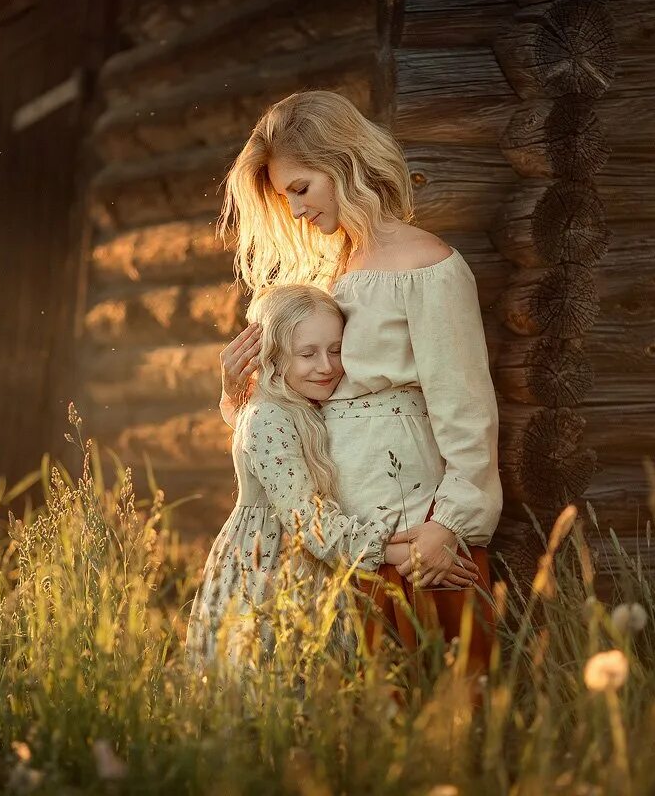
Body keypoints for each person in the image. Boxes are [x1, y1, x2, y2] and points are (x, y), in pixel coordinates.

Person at [215, 90, 502, 693]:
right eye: (282, 195)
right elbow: (282, 433)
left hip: (412, 529)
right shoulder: (325, 275)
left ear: (344, 163)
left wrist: (446, 523)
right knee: (355, 728)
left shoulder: (428, 268)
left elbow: (467, 412)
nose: (293, 210)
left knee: (439, 708)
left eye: (300, 187)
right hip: (335, 541)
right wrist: (237, 389)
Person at [185, 284, 479, 672]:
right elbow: (305, 519)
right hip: (267, 570)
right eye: (307, 353)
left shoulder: (297, 406)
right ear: (272, 356)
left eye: (336, 350)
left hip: (310, 563)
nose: (326, 366)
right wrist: (394, 551)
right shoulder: (268, 416)